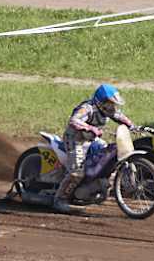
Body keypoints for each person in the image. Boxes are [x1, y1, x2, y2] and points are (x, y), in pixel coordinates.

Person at [52, 84, 135, 214]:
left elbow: (119, 116)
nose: (112, 106)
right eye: (109, 103)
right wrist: (90, 128)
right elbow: (74, 120)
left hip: (92, 139)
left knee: (105, 157)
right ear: (101, 101)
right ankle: (60, 200)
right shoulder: (87, 108)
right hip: (76, 140)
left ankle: (93, 185)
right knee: (77, 172)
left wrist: (132, 126)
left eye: (113, 104)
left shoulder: (107, 110)